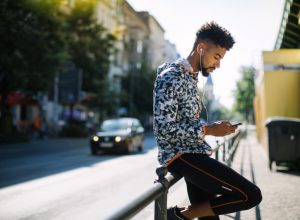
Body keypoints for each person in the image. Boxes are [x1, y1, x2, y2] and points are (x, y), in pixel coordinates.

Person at [153, 21, 262, 220]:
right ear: (201, 48)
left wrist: (214, 128)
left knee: (210, 217)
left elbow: (186, 122)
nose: (218, 65)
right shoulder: (172, 76)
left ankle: (178, 216)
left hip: (195, 154)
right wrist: (209, 130)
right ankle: (177, 216)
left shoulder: (190, 77)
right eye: (217, 57)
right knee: (251, 195)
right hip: (183, 157)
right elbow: (164, 128)